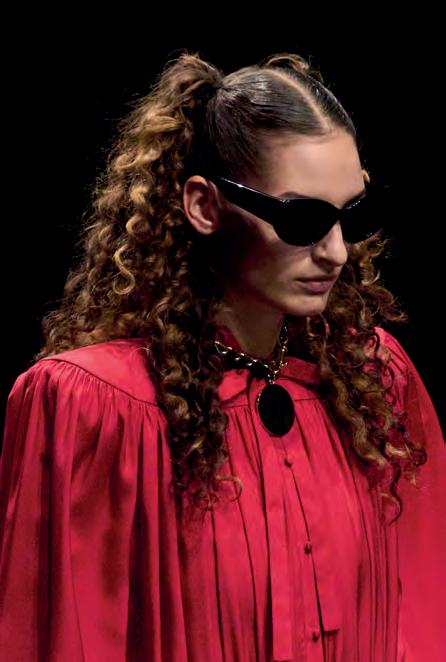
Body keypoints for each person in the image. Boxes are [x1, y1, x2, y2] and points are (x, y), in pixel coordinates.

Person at [0, 50, 445, 662]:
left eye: (347, 215)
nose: (337, 252)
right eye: (303, 219)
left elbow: (419, 620)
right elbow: (70, 639)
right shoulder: (97, 409)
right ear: (205, 206)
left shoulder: (372, 379)